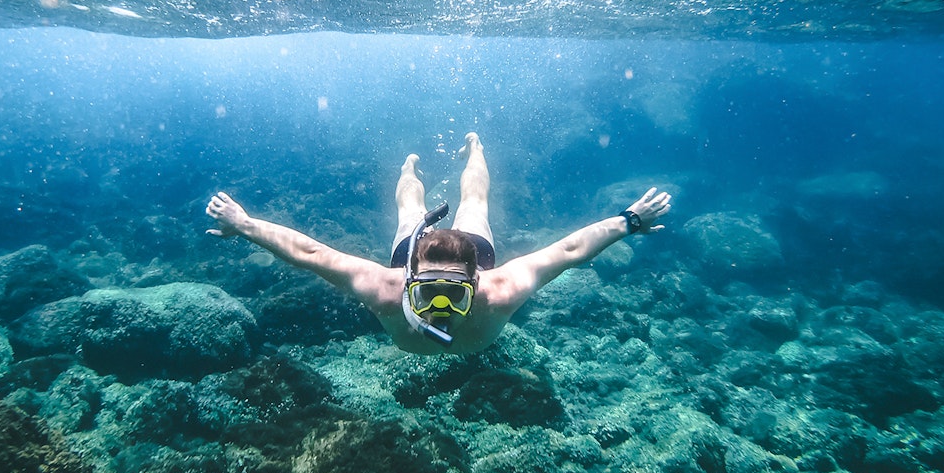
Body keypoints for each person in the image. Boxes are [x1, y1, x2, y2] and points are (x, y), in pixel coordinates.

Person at [206, 132, 671, 355]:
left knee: (474, 203)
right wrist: (243, 224)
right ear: (409, 282)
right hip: (418, 245)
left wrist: (628, 222)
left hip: (465, 244)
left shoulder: (500, 288)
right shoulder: (387, 286)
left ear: (477, 281)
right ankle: (409, 169)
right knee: (411, 211)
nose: (442, 305)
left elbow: (569, 253)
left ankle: (477, 149)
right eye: (430, 292)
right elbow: (311, 255)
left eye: (456, 291)